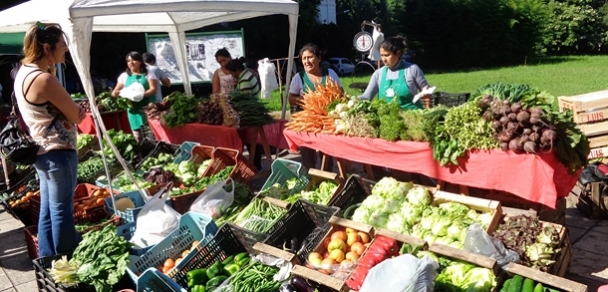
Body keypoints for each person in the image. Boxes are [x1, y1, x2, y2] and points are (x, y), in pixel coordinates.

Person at [14, 22, 85, 257]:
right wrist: (77, 111)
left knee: (48, 210)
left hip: (42, 151)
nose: (65, 50)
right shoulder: (43, 79)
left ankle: (47, 259)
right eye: (62, 45)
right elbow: (74, 115)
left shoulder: (22, 72)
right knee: (61, 211)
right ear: (47, 48)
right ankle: (67, 259)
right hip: (58, 151)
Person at [288, 43, 342, 172]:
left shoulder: (330, 74)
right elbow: (291, 99)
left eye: (310, 57)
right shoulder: (299, 77)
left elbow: (341, 94)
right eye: (304, 58)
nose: (307, 61)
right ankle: (310, 179)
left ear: (319, 58)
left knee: (327, 155)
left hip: (328, 123)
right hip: (307, 123)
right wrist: (308, 100)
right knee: (308, 155)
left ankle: (327, 178)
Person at [359, 36, 431, 110]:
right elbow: (367, 97)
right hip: (387, 119)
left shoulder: (412, 69)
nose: (383, 59)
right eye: (382, 55)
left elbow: (426, 92)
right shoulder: (378, 74)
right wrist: (353, 99)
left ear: (398, 54)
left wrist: (426, 98)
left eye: (387, 55)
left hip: (412, 118)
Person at [224, 57, 263, 171]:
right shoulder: (246, 75)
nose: (232, 76)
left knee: (251, 142)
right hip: (250, 112)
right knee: (251, 141)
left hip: (249, 113)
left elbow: (244, 100)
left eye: (232, 73)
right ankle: (255, 165)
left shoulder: (245, 79)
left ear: (237, 70)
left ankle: (255, 166)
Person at [111, 51, 159, 142]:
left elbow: (153, 89)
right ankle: (142, 153)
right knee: (138, 136)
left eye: (134, 60)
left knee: (151, 134)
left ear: (140, 61)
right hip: (133, 111)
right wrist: (118, 94)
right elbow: (114, 92)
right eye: (128, 61)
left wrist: (140, 95)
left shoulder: (148, 74)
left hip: (148, 108)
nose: (131, 63)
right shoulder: (124, 76)